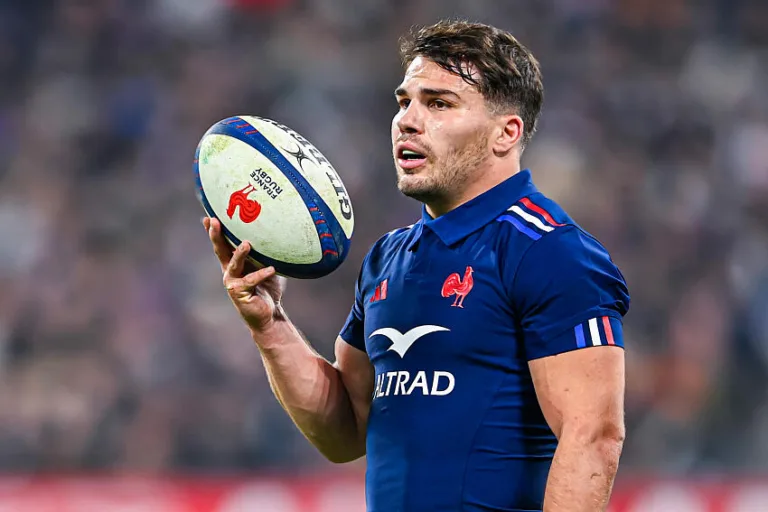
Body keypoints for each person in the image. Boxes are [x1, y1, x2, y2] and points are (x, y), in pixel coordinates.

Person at [203, 19, 629, 512]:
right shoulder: (387, 259)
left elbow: (593, 434)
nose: (407, 120)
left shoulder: (550, 251)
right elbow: (345, 432)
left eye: (439, 104)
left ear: (505, 133)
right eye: (404, 101)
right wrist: (270, 325)